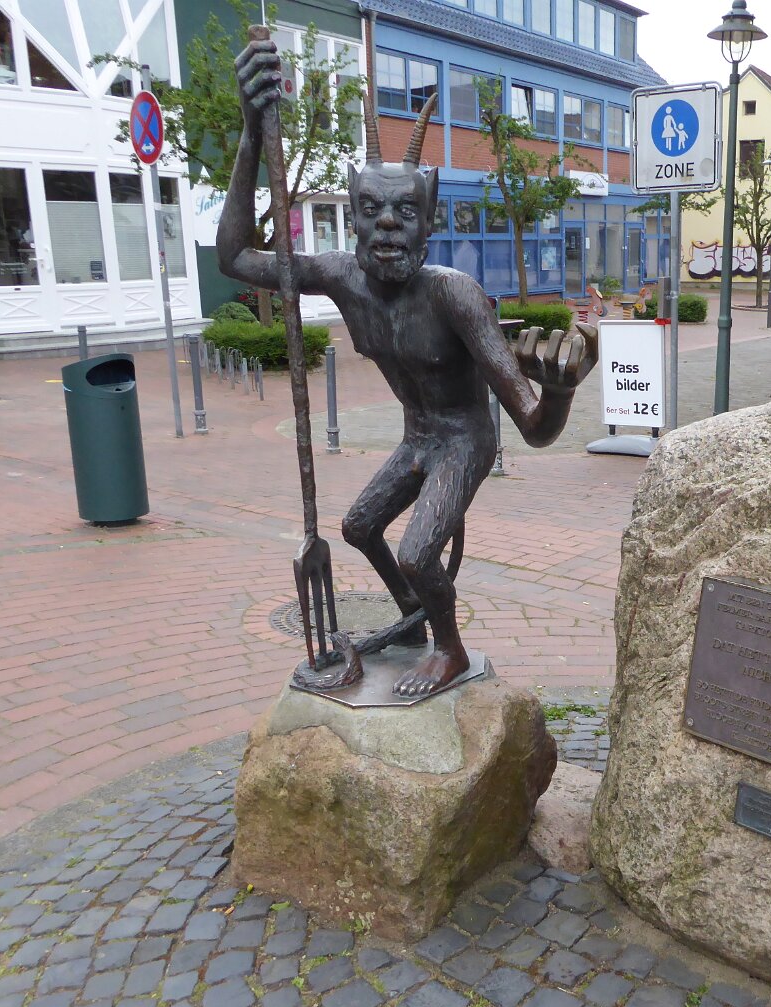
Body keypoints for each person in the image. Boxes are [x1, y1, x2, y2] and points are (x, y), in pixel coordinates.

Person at [217, 35, 597, 697]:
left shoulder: (454, 295)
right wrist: (252, 134)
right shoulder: (340, 277)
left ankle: (448, 648)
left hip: (463, 440)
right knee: (359, 526)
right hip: (416, 438)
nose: (388, 224)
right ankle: (416, 617)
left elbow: (535, 429)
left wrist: (559, 394)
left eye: (406, 211)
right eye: (371, 210)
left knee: (419, 551)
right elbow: (234, 258)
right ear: (352, 216)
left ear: (429, 219)